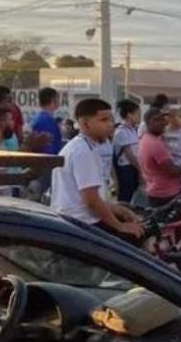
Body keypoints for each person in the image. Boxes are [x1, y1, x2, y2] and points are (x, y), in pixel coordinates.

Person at [50, 98, 144, 241]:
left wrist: (121, 211)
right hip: (82, 224)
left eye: (111, 120)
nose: (110, 124)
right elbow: (91, 201)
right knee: (137, 236)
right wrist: (119, 226)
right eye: (103, 120)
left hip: (80, 220)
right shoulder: (83, 151)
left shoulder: (87, 146)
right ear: (85, 123)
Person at [139, 108, 181, 208]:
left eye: (163, 119)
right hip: (165, 194)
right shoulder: (155, 144)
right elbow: (172, 171)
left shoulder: (146, 138)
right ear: (147, 123)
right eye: (157, 120)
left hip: (156, 190)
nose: (162, 123)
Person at [112, 100, 143, 205]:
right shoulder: (121, 131)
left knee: (133, 195)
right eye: (137, 114)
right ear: (129, 115)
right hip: (125, 168)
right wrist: (140, 169)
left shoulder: (133, 130)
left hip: (134, 167)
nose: (139, 117)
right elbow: (129, 155)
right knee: (126, 196)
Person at [28, 87, 63, 156]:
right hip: (49, 159)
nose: (59, 101)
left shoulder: (37, 118)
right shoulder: (46, 121)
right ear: (53, 99)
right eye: (58, 98)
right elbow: (48, 147)